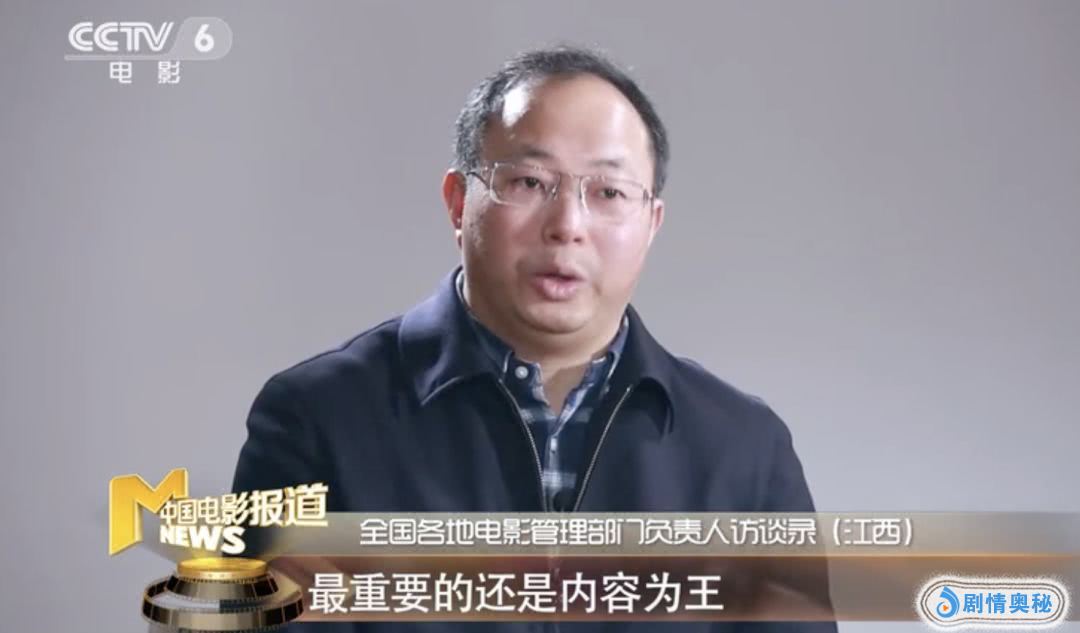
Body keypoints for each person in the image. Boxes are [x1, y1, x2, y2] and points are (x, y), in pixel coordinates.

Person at [232, 45, 835, 633]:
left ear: (651, 223)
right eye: (528, 181)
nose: (567, 226)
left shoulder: (746, 451)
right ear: (458, 202)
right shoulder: (317, 420)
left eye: (608, 192)